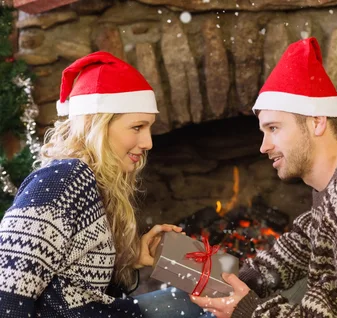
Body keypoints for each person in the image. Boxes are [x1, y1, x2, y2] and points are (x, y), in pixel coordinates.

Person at [0, 52, 209, 317]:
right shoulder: (61, 182)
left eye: (149, 128)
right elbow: (7, 295)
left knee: (197, 301)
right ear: (97, 125)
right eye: (137, 127)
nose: (148, 143)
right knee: (200, 306)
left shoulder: (91, 182)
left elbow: (75, 285)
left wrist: (130, 257)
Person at [191, 37, 337, 317]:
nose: (263, 146)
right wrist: (241, 282)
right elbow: (305, 241)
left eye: (274, 128)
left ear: (316, 122)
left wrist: (249, 310)